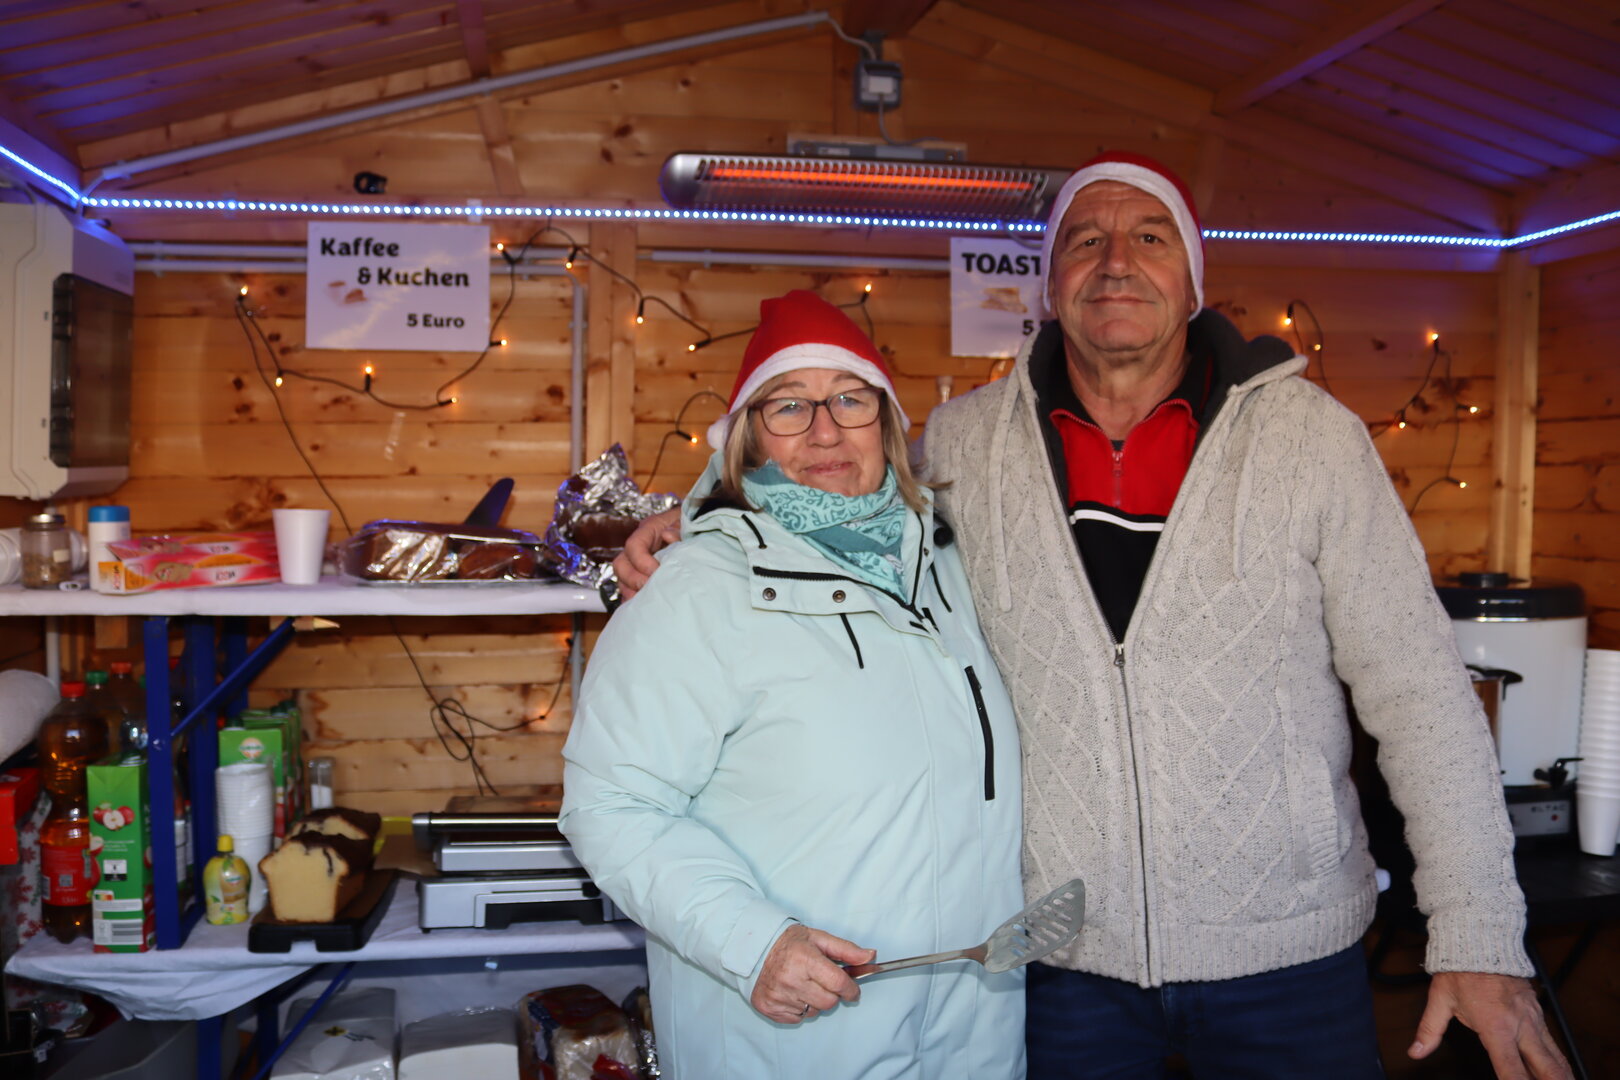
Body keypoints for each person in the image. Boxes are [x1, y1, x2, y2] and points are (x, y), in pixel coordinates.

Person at [613, 154, 1572, 1080]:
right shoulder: (966, 445)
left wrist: (1478, 932)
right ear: (1049, 283)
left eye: (1150, 237)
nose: (1116, 261)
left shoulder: (1312, 442)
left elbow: (1420, 695)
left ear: (1192, 282)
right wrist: (702, 519)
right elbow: (832, 492)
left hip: (1287, 959)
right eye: (1085, 240)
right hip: (1062, 968)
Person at [560, 290, 1026, 1080]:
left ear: (886, 424)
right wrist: (753, 944)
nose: (824, 430)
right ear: (748, 437)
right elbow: (610, 803)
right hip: (796, 1042)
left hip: (972, 1033)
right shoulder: (696, 591)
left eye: (850, 399)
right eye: (788, 406)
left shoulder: (950, 563)